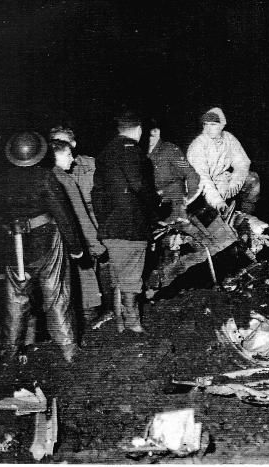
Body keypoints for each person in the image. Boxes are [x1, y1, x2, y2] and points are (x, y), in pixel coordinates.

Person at [0, 131, 84, 362]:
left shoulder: (1, 181)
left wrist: (3, 250)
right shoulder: (45, 178)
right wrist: (75, 247)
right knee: (56, 294)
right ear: (39, 154)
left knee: (15, 299)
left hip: (15, 246)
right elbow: (63, 214)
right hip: (47, 242)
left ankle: (11, 352)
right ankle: (69, 350)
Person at [91, 111, 158, 333]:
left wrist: (105, 220)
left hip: (110, 226)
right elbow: (140, 187)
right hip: (131, 225)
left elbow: (96, 195)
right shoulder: (133, 152)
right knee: (131, 278)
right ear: (138, 131)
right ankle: (133, 325)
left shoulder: (104, 154)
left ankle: (120, 324)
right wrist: (153, 210)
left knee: (118, 276)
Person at [49, 139, 108, 327]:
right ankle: (91, 324)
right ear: (55, 155)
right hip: (71, 243)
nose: (72, 159)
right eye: (67, 154)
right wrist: (96, 245)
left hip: (49, 246)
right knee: (86, 281)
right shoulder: (66, 181)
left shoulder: (45, 177)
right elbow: (80, 217)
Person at [186, 107, 260, 214]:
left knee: (252, 179)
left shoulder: (228, 138)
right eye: (205, 124)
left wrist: (234, 179)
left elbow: (242, 163)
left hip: (220, 181)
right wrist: (218, 201)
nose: (208, 128)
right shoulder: (198, 145)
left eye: (213, 124)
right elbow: (202, 179)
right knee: (214, 221)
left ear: (222, 125)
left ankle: (246, 217)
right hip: (200, 189)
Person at [147, 119, 200, 223]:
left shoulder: (170, 150)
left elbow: (190, 174)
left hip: (174, 203)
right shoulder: (140, 153)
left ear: (156, 132)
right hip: (154, 205)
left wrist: (189, 198)